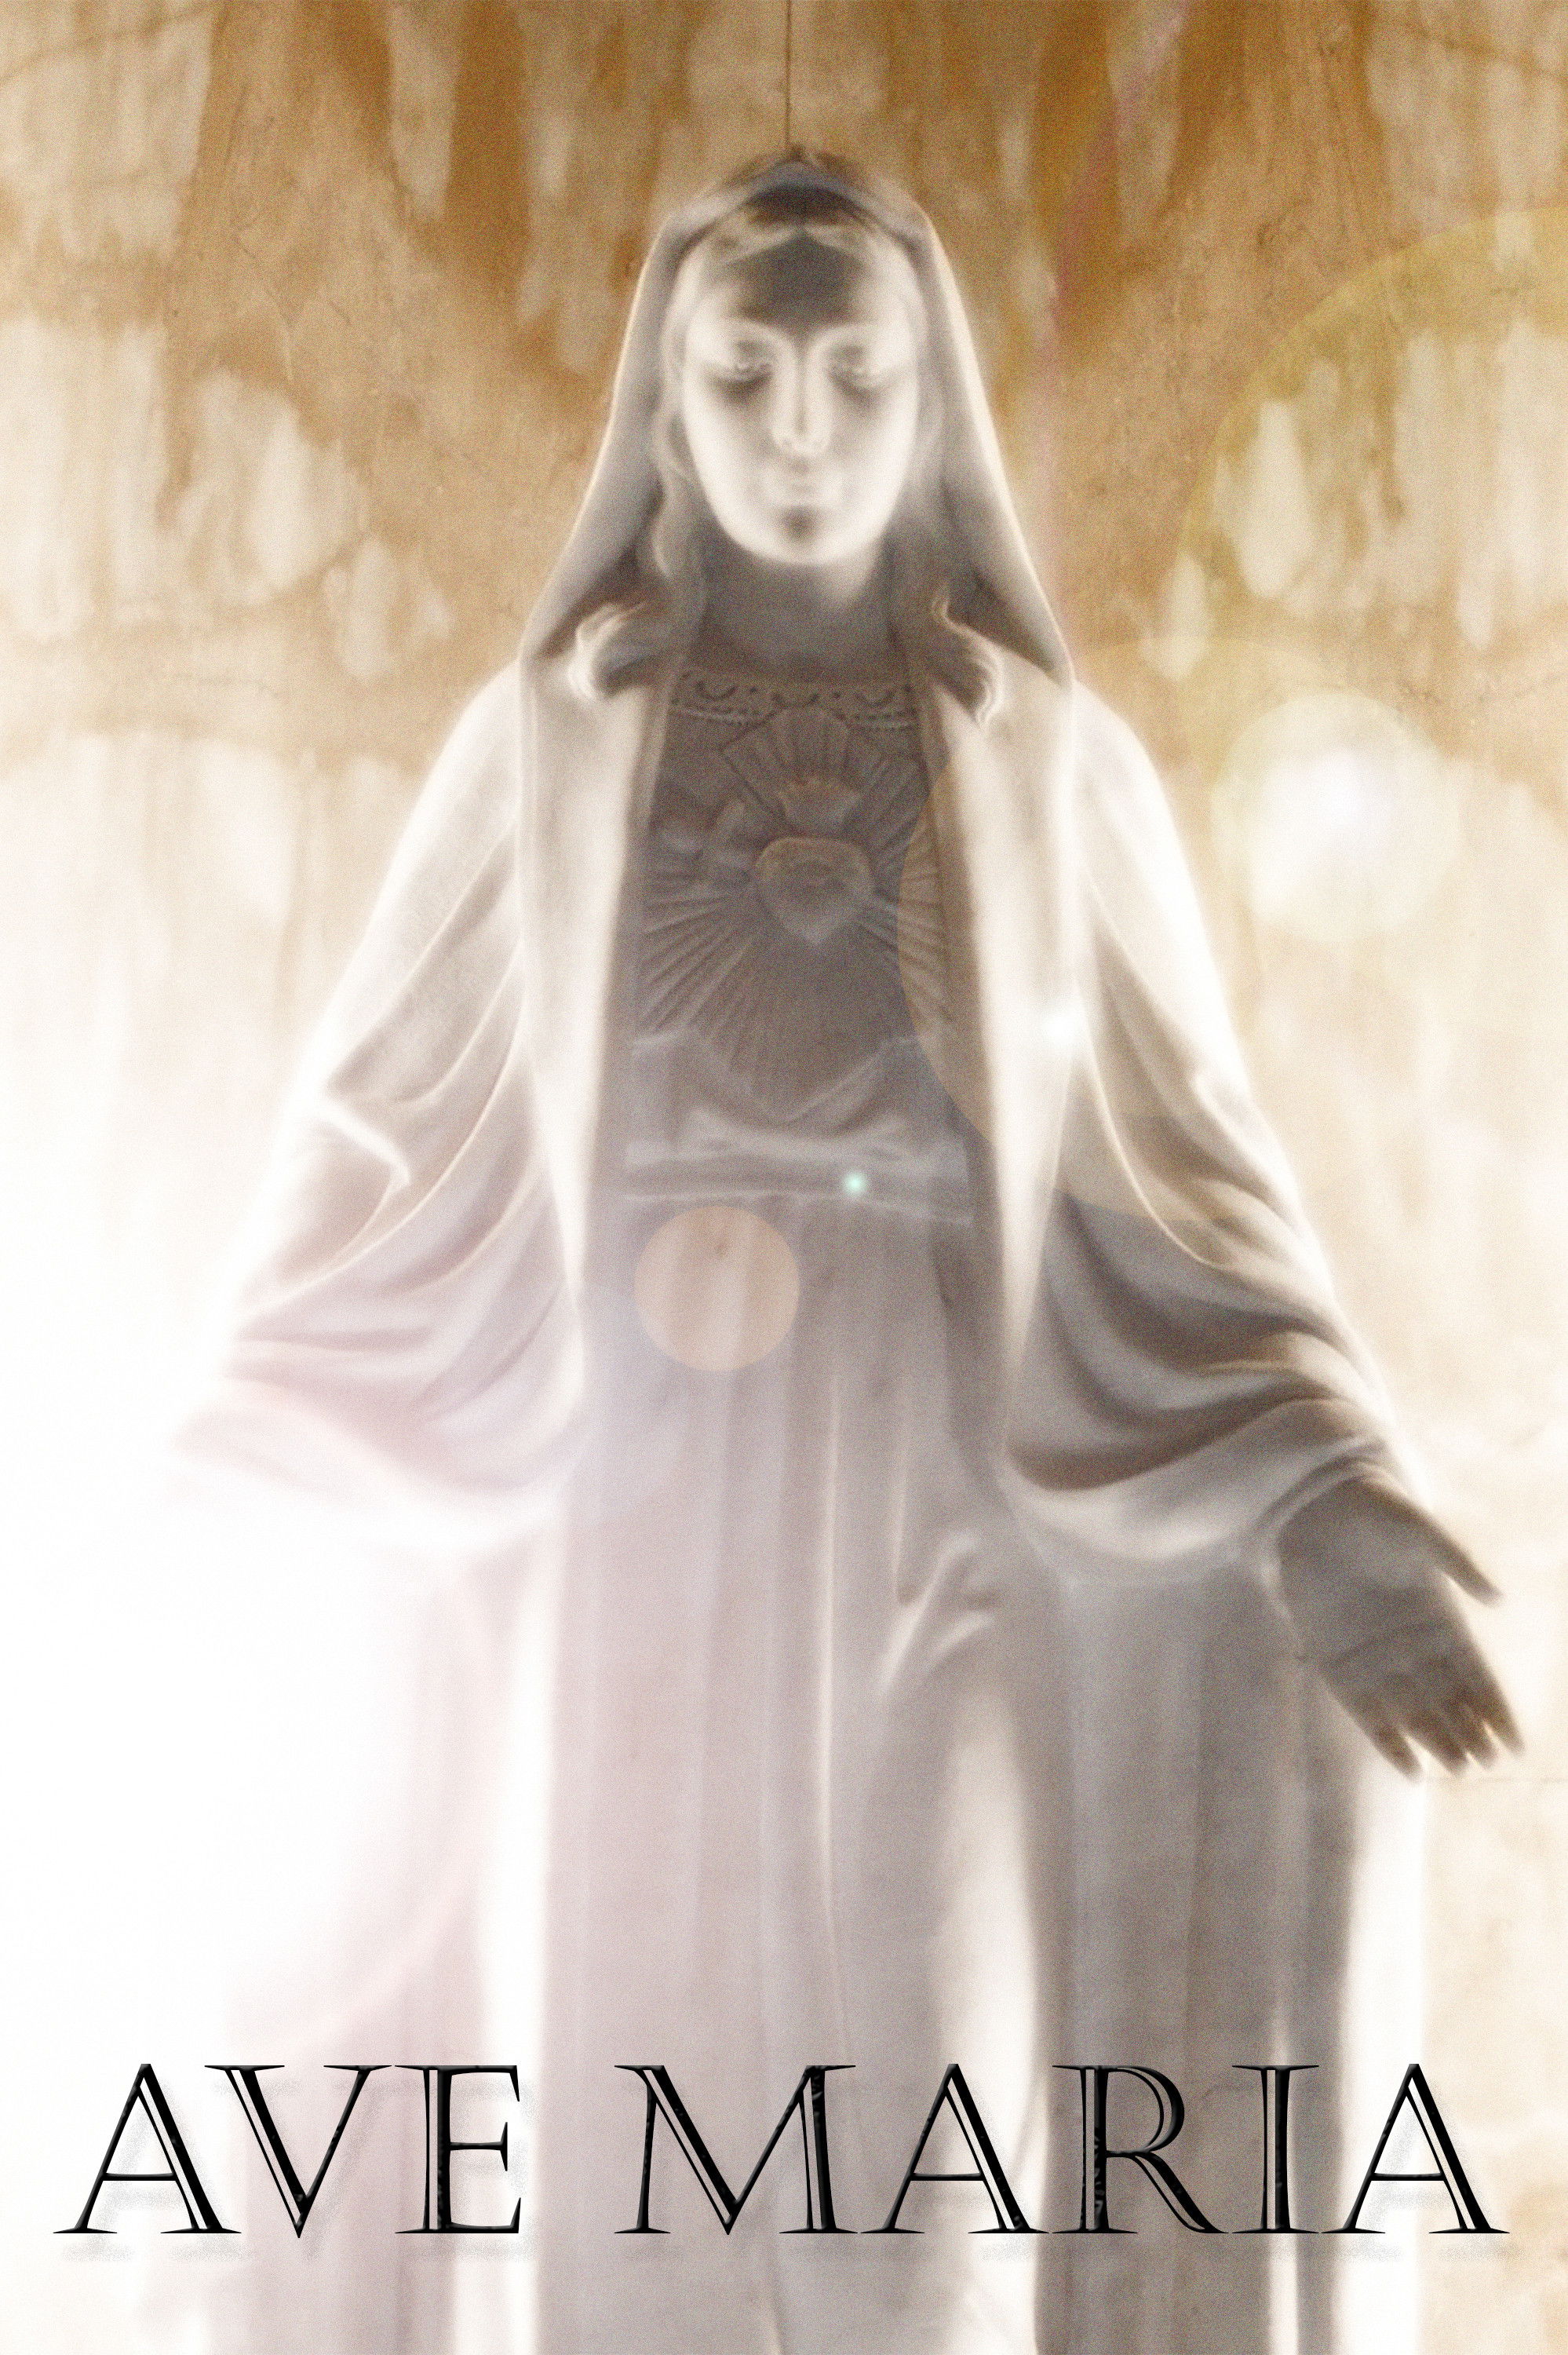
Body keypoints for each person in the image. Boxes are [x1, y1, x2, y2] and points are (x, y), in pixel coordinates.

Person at [183, 153, 1517, 2354]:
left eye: (854, 376)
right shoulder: (546, 751)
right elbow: (385, 1136)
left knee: (930, 2122)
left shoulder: (1043, 767)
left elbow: (1184, 1173)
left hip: (941, 1489)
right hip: (615, 1502)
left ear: (930, 404)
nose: (800, 427)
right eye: (744, 373)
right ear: (666, 404)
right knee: (622, 2149)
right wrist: (252, 1440)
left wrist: (1318, 1490)